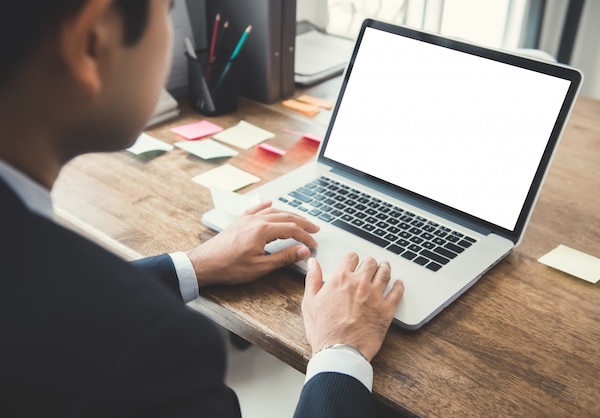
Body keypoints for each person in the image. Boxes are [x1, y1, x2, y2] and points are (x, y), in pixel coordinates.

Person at [0, 1, 405, 417]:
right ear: (91, 41)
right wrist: (341, 354)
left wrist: (195, 265)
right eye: (168, 11)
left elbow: (66, 310)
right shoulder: (156, 349)